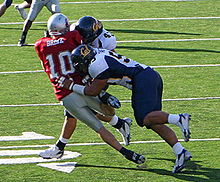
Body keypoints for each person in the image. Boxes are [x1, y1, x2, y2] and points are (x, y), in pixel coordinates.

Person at [58, 44, 192, 173]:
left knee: (144, 118)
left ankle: (179, 118)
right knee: (153, 121)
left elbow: (92, 91)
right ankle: (180, 151)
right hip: (150, 76)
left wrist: (70, 86)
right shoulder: (98, 55)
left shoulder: (96, 65)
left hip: (142, 80)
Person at [35, 13, 145, 165]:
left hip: (67, 91)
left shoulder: (40, 44)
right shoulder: (73, 37)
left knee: (92, 123)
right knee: (91, 113)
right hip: (85, 83)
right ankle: (119, 122)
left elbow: (45, 63)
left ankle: (124, 146)